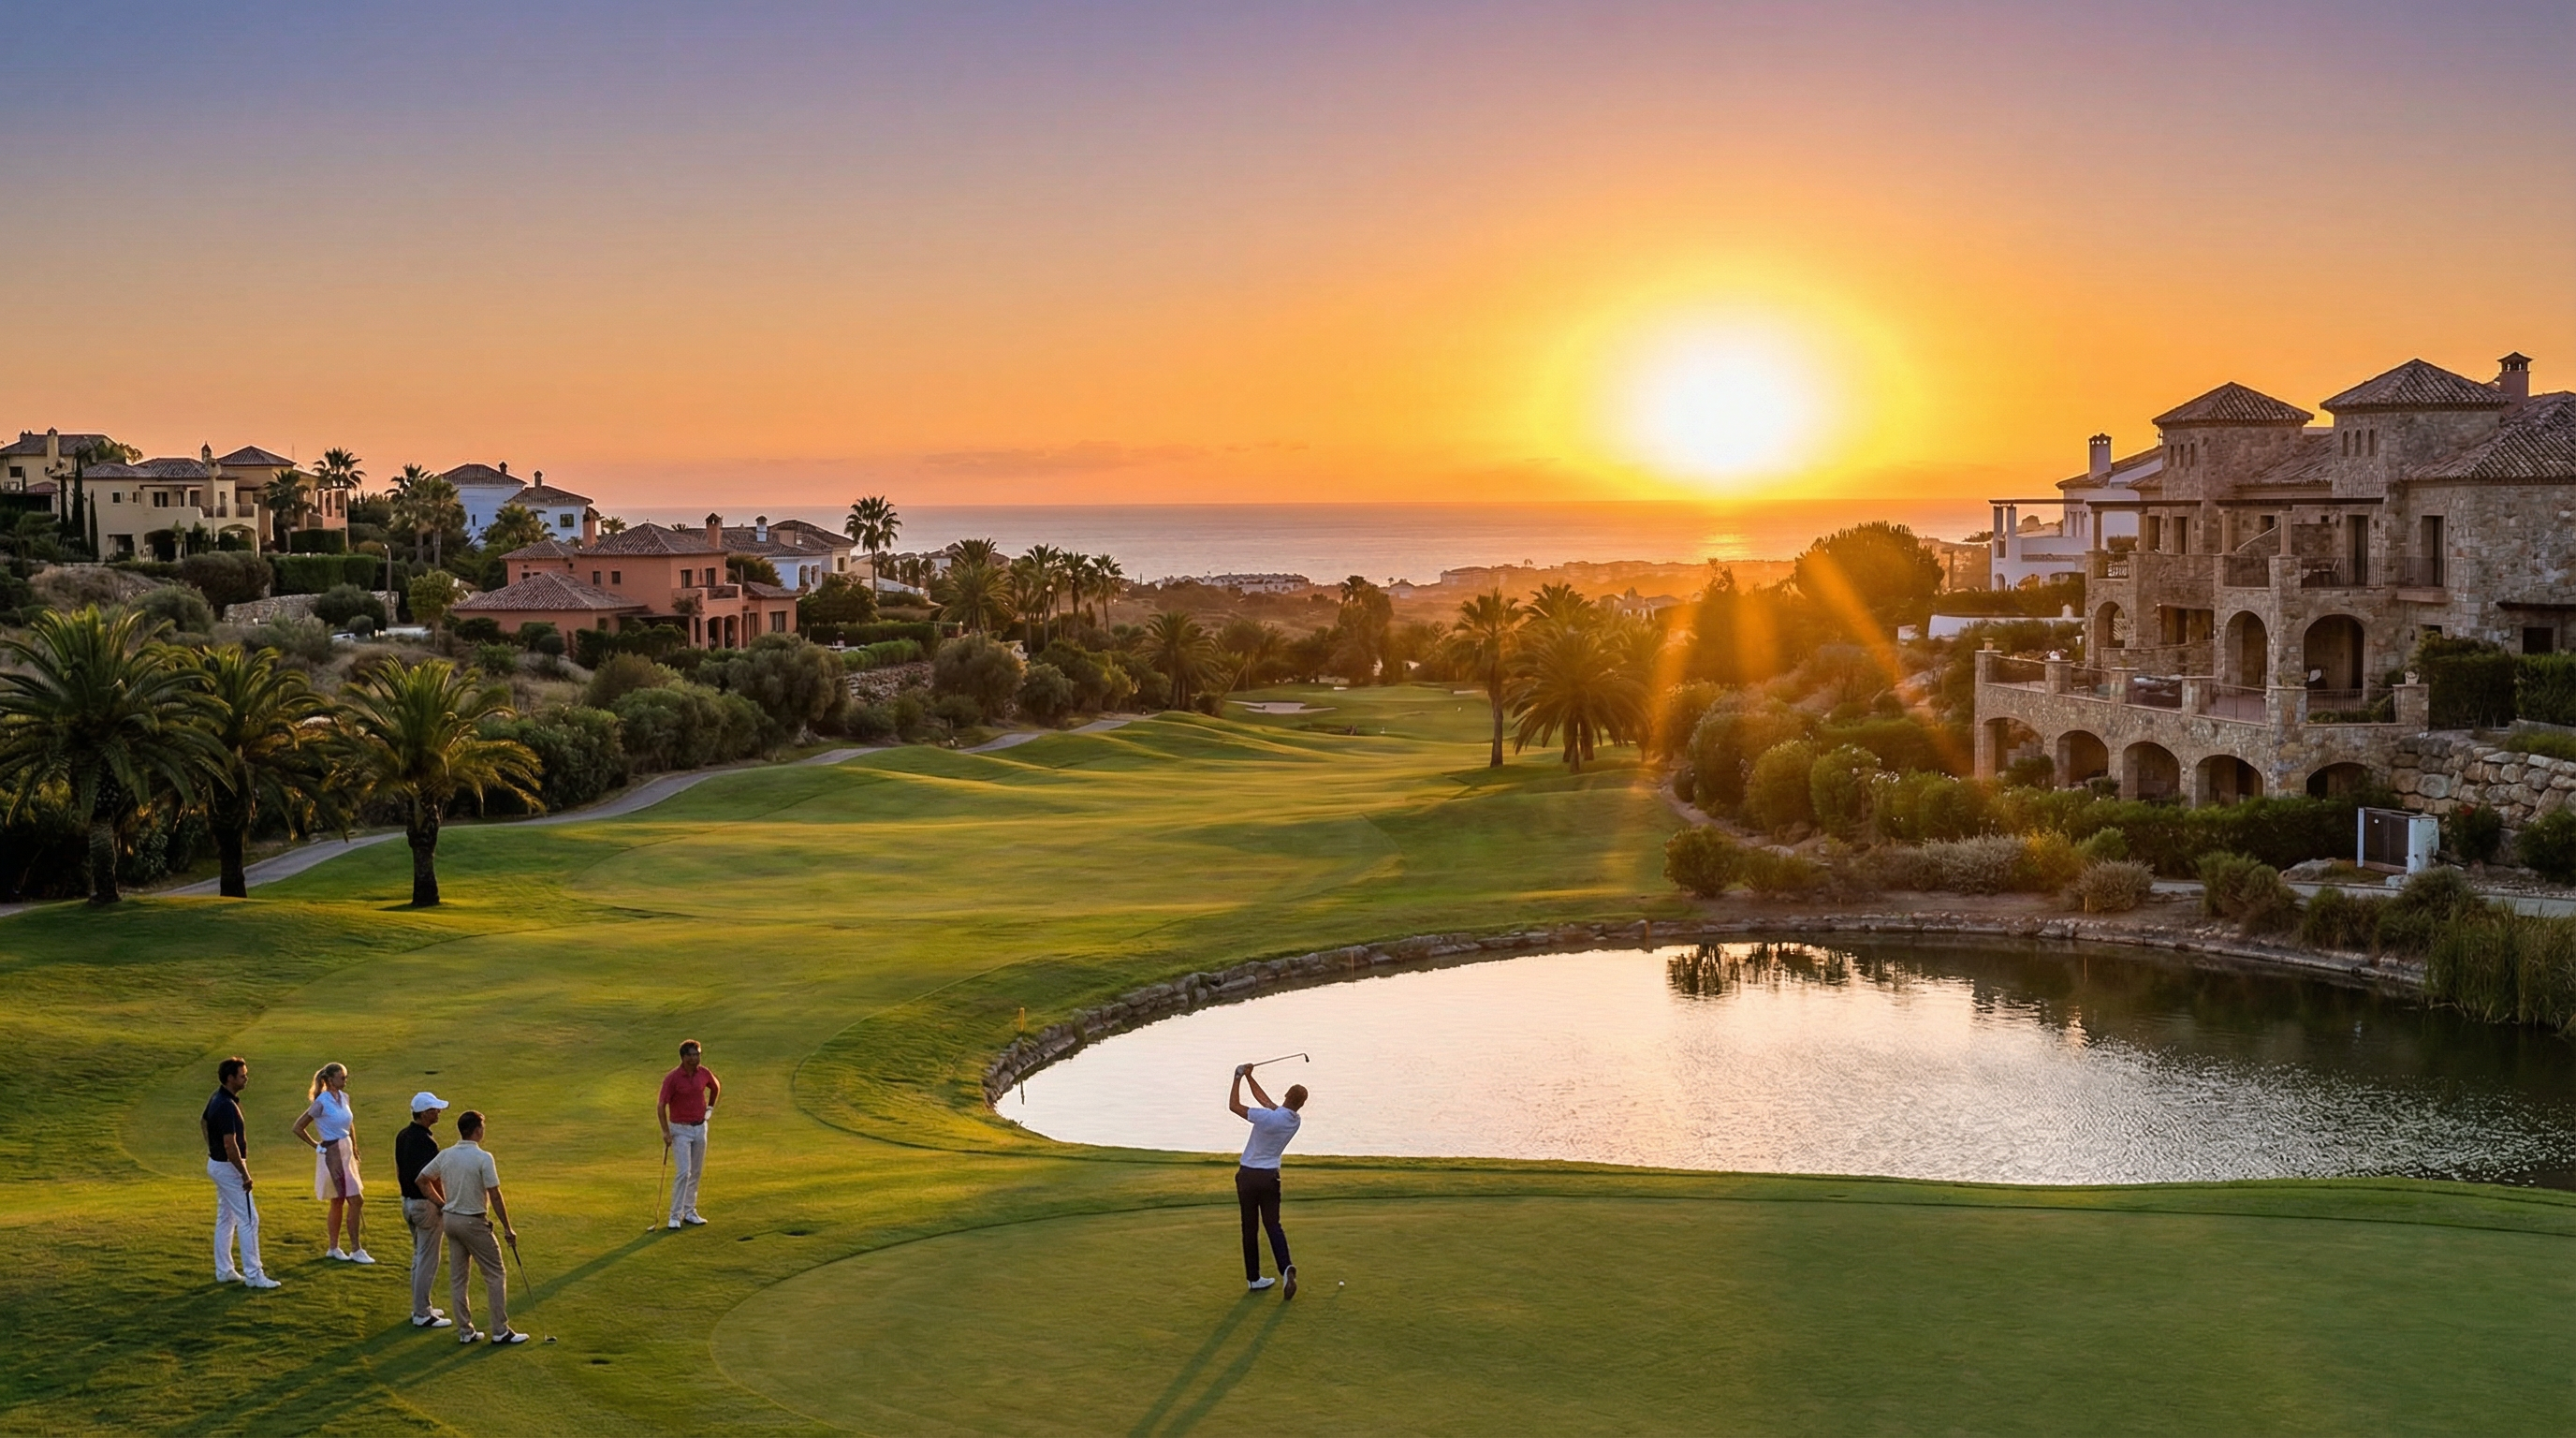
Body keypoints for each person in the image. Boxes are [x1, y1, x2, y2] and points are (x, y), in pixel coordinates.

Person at [417, 1109, 528, 1344]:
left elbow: (422, 1179)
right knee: (495, 1274)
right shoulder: (483, 1158)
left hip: (450, 1221)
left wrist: (442, 1204)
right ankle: (500, 1330)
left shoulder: (446, 1155)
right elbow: (495, 1195)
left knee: (458, 1278)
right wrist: (508, 1228)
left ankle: (466, 1332)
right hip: (472, 1221)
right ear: (478, 1131)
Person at [1227, 1064, 1308, 1299]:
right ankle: (1286, 1268)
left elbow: (1234, 1106)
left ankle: (1254, 1279)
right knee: (1273, 1225)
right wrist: (1250, 1077)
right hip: (1271, 1178)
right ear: (1300, 1104)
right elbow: (1266, 1102)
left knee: (1249, 1228)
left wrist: (1237, 1077)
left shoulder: (1268, 1117)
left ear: (1286, 1096)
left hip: (1248, 1177)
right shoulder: (1293, 1120)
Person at [203, 1056, 279, 1289]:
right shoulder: (226, 1105)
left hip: (218, 1164)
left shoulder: (218, 1098)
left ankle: (224, 1271)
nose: (246, 1078)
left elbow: (203, 1122)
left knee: (227, 1217)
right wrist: (244, 1174)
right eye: (243, 1075)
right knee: (249, 1219)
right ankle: (255, 1275)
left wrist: (211, 1149)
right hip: (229, 1167)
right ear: (230, 1078)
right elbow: (230, 1144)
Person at [290, 1063, 373, 1264]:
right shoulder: (321, 1102)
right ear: (331, 1080)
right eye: (342, 1077)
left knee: (338, 1200)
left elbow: (349, 1123)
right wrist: (316, 1145)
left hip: (346, 1151)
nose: (345, 1080)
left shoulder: (344, 1098)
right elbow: (298, 1127)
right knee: (355, 1200)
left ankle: (333, 1248)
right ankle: (356, 1249)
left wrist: (354, 1148)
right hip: (332, 1153)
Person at [394, 1093, 452, 1328]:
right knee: (428, 1259)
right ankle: (422, 1313)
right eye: (435, 1109)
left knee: (420, 1257)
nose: (438, 1112)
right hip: (424, 1205)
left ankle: (422, 1306)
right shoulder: (426, 1142)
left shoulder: (403, 1135)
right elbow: (428, 1179)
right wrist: (442, 1203)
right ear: (425, 1113)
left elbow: (400, 1170)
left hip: (408, 1203)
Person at [657, 1039, 722, 1229]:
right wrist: (666, 1132)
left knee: (696, 1172)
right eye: (692, 1055)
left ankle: (690, 1211)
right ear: (684, 1057)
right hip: (680, 1129)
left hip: (700, 1127)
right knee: (683, 1172)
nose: (696, 1058)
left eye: (698, 1054)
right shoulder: (673, 1078)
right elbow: (661, 1105)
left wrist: (709, 1108)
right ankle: (675, 1216)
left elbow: (715, 1087)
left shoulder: (704, 1073)